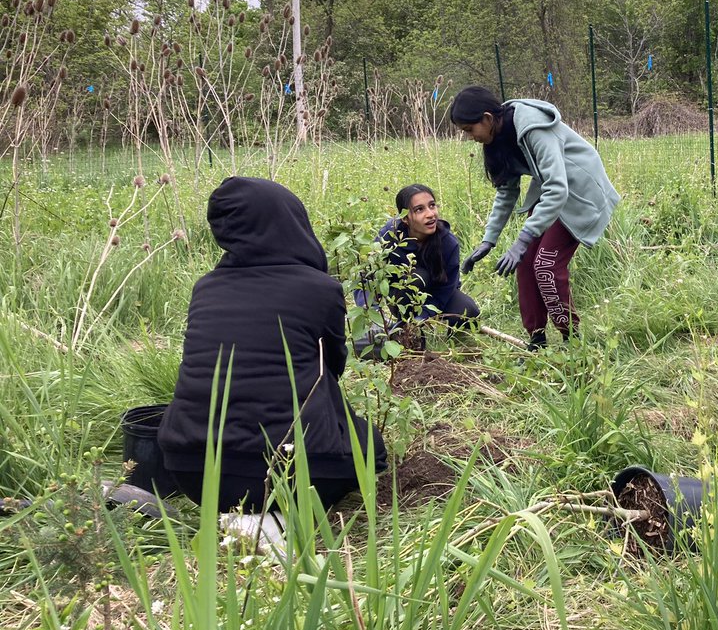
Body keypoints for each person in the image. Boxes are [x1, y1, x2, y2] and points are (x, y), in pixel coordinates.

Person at [158, 176, 386, 514]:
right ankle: (282, 516)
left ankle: (237, 520)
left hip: (193, 474)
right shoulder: (319, 288)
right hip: (296, 476)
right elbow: (332, 367)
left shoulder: (205, 289)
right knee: (371, 446)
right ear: (290, 221)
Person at [449, 85, 619, 350]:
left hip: (580, 194)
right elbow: (506, 191)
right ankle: (537, 340)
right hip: (552, 191)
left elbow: (558, 188)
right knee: (526, 261)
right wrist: (488, 240)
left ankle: (571, 342)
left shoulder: (534, 128)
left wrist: (521, 239)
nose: (470, 137)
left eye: (470, 130)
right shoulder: (497, 138)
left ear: (487, 118)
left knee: (546, 265)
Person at [352, 184, 480, 354]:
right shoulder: (390, 236)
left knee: (468, 310)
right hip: (401, 296)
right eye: (419, 209)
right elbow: (368, 277)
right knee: (417, 276)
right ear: (405, 218)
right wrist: (371, 313)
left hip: (436, 296)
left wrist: (423, 316)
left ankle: (425, 333)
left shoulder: (448, 242)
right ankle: (402, 327)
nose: (430, 214)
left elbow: (446, 289)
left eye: (432, 205)